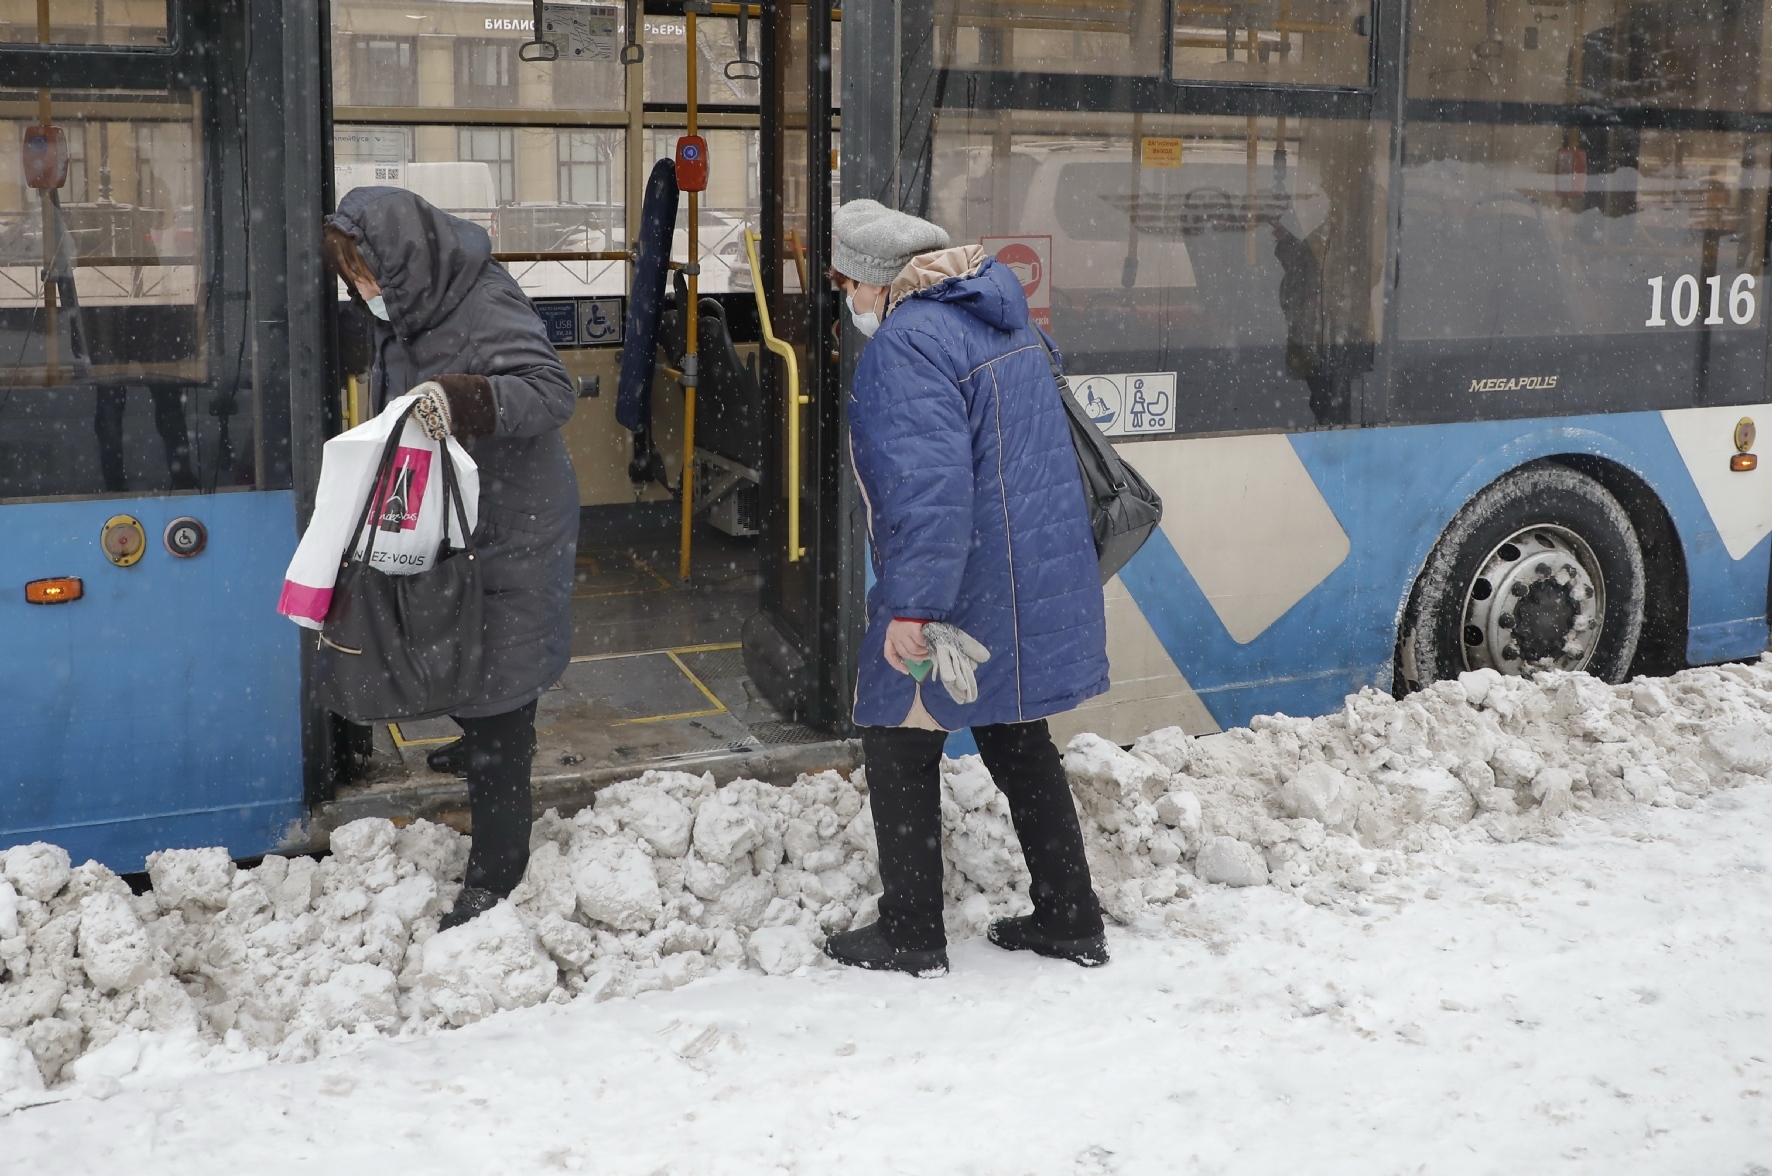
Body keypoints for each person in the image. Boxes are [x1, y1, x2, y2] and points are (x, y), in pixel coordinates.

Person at [820, 199, 1112, 977]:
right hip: (1022, 570)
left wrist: (912, 609)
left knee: (897, 736)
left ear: (878, 282)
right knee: (1018, 738)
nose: (844, 300)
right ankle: (1070, 915)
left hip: (962, 579)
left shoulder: (909, 346)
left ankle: (911, 933)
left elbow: (928, 492)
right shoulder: (999, 314)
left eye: (845, 283)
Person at [322, 187, 578, 931]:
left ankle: (497, 874)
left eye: (367, 273)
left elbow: (549, 391)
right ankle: (483, 745)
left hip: (511, 521)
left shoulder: (477, 299)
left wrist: (462, 399)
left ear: (401, 261)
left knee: (500, 680)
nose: (363, 290)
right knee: (458, 642)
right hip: (457, 514)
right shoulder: (412, 305)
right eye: (353, 279)